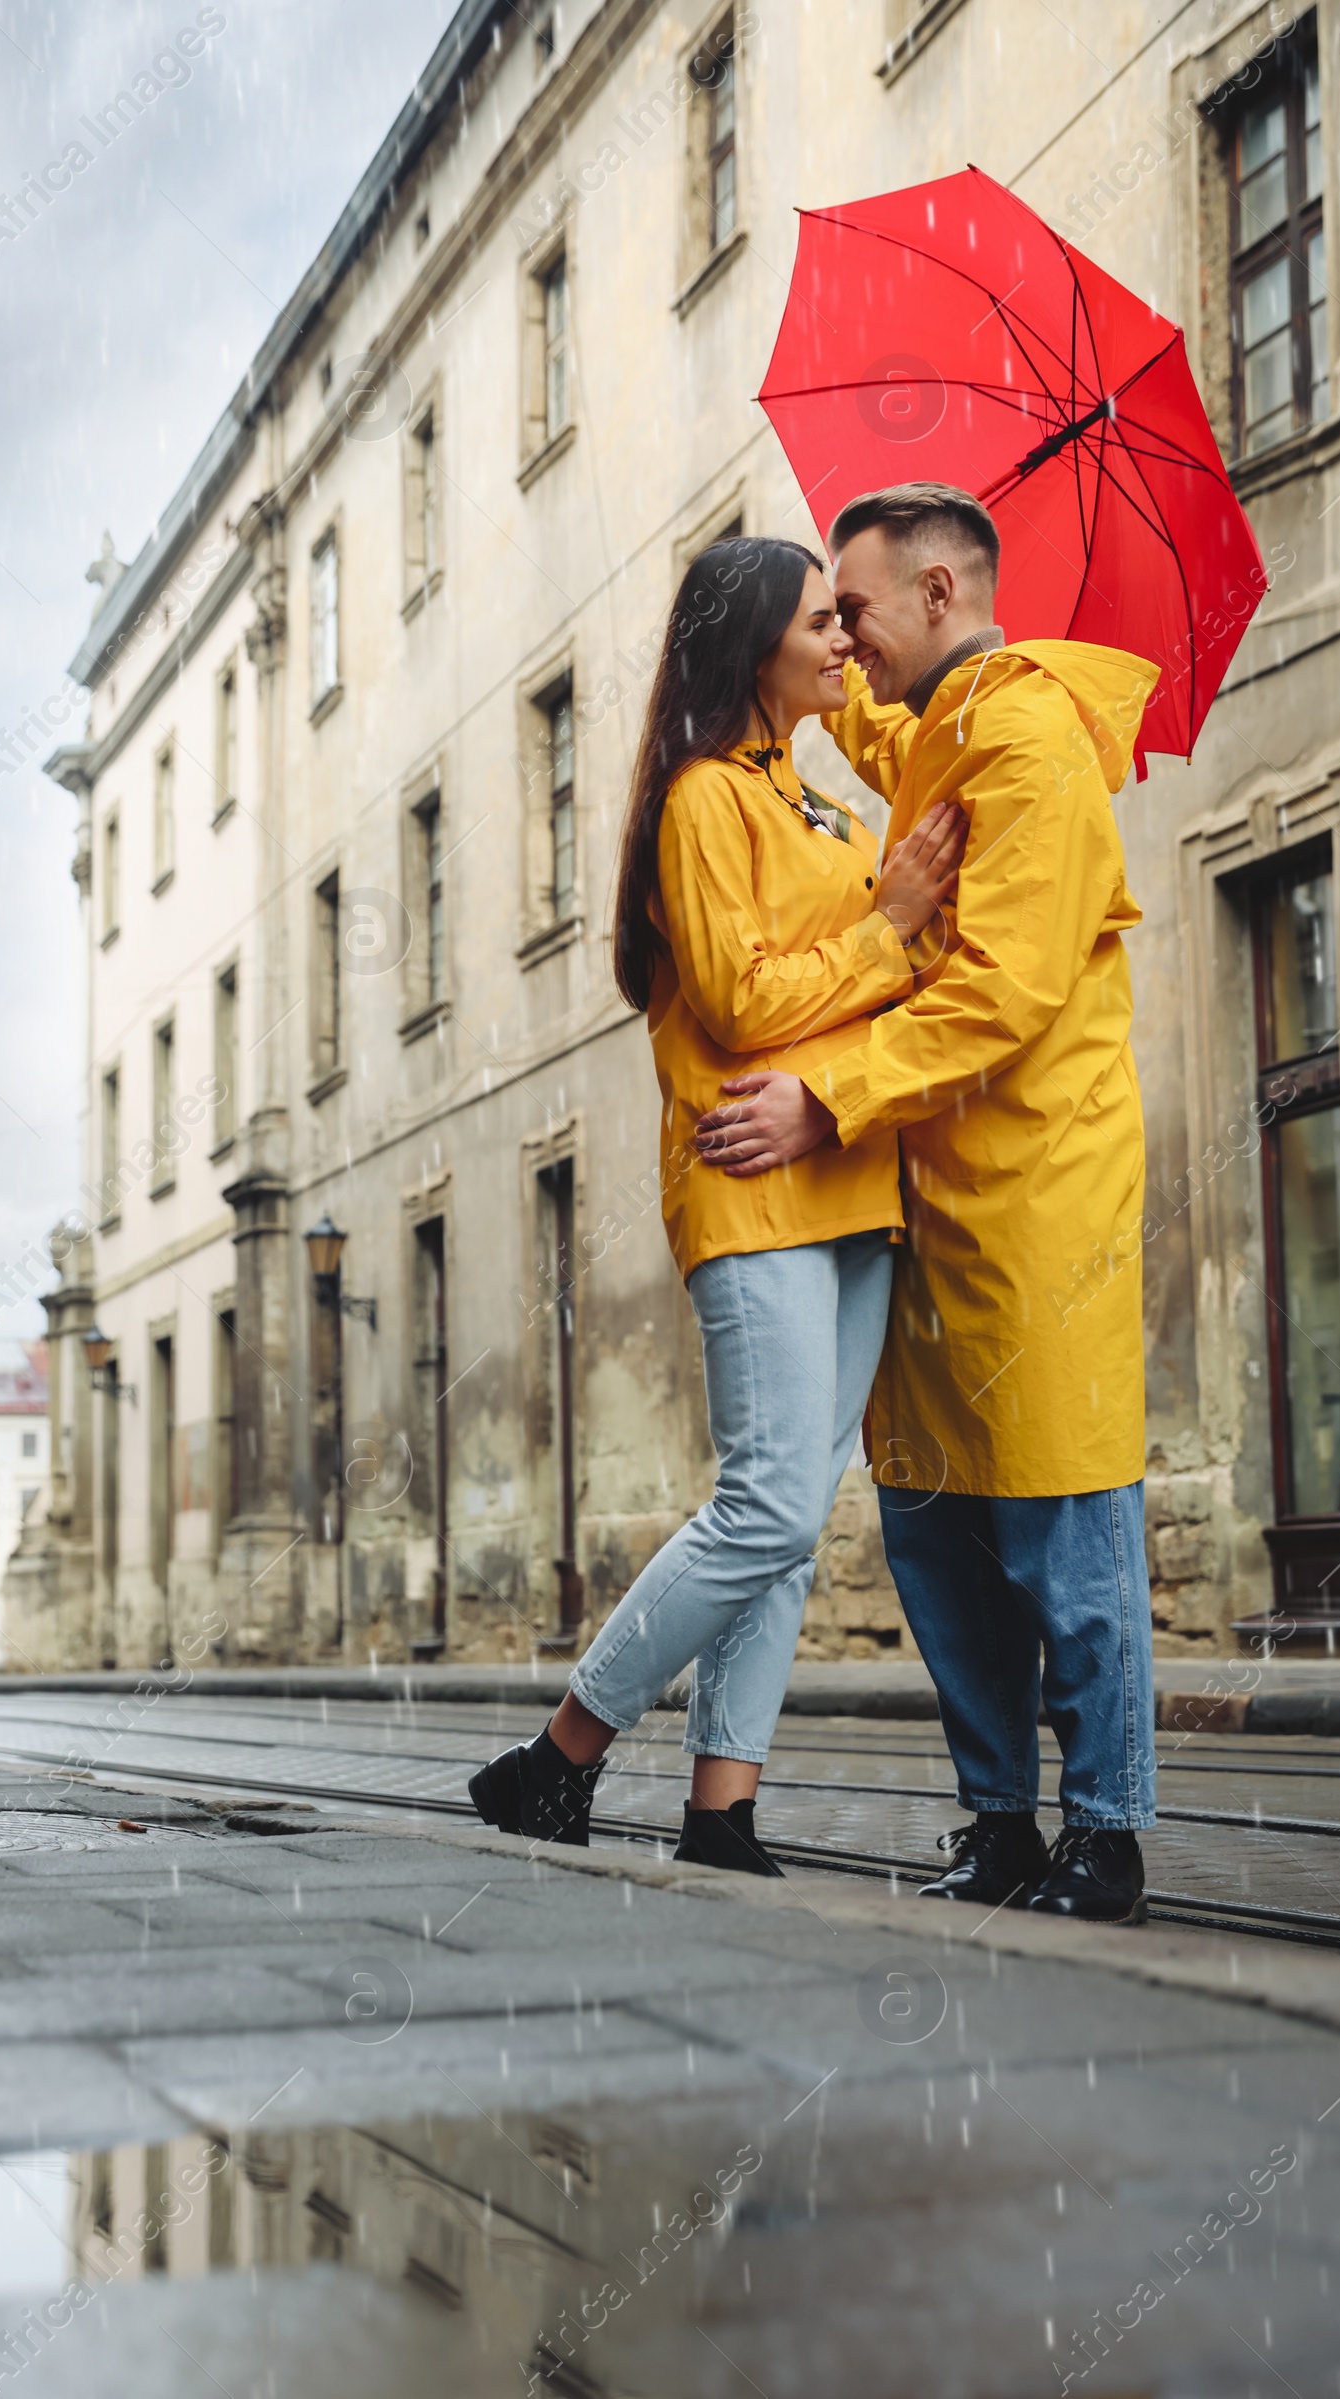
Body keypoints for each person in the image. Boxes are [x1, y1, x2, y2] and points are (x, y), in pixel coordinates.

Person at [695, 483, 1161, 1924]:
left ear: (942, 597)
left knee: (1063, 1523)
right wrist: (791, 666)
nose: (845, 636)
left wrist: (825, 1098)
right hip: (935, 1193)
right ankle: (1000, 1825)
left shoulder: (1023, 741)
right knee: (939, 1527)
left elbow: (1006, 989)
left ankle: (1107, 1834)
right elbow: (875, 726)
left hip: (1036, 1192)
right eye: (826, 617)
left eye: (857, 609)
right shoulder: (939, 731)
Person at [469, 535, 967, 1873]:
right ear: (754, 644)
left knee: (794, 1520)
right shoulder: (704, 800)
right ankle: (558, 1755)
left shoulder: (824, 808)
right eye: (821, 620)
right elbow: (745, 1002)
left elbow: (885, 992)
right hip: (752, 1187)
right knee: (767, 1506)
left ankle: (721, 1806)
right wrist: (891, 923)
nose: (844, 640)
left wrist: (903, 914)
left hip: (856, 1188)